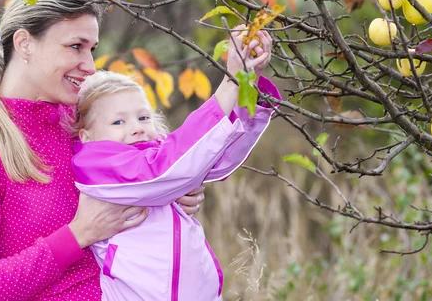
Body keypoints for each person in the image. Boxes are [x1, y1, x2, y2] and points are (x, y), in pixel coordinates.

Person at [0, 0, 206, 300]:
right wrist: (80, 234)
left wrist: (174, 186)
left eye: (92, 49)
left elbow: (148, 160)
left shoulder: (81, 119)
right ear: (25, 43)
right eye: (75, 46)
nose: (90, 65)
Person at [71, 29, 281, 300]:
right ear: (87, 136)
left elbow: (216, 156)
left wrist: (246, 81)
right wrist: (229, 83)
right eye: (118, 122)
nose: (136, 128)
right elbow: (162, 169)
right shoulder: (97, 166)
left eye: (143, 117)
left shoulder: (162, 156)